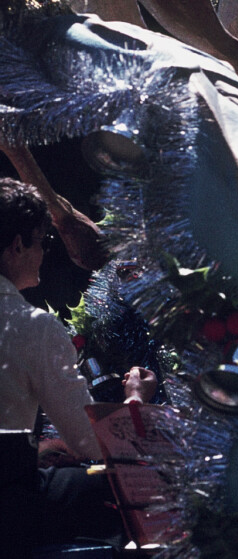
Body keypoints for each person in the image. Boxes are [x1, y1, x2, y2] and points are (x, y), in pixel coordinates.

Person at [0, 178, 157, 549]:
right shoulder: (32, 327)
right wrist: (136, 400)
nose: (44, 252)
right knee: (122, 487)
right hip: (9, 510)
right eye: (43, 241)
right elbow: (92, 443)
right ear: (18, 245)